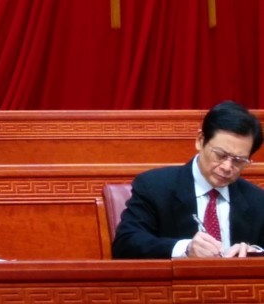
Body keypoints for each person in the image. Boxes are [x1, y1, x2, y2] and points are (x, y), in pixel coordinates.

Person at [113, 100, 264, 259]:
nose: (227, 167)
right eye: (220, 155)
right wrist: (185, 249)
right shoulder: (154, 187)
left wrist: (255, 253)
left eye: (238, 160)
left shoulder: (257, 199)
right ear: (200, 140)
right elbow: (125, 244)